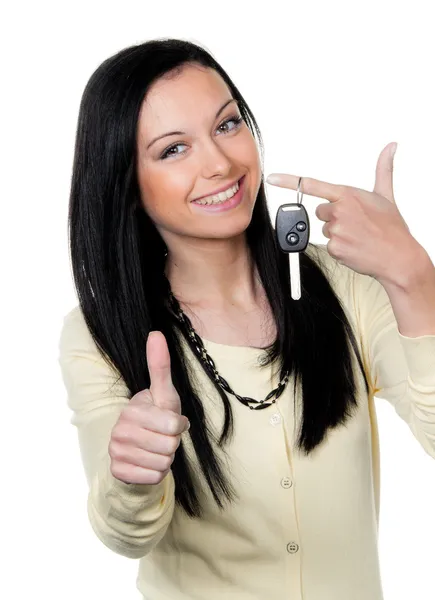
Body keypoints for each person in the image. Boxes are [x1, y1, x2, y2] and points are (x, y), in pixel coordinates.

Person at [58, 38, 435, 600]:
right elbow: (126, 535)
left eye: (228, 125)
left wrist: (413, 278)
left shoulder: (344, 283)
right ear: (127, 184)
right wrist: (131, 474)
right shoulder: (100, 333)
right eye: (173, 150)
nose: (219, 163)